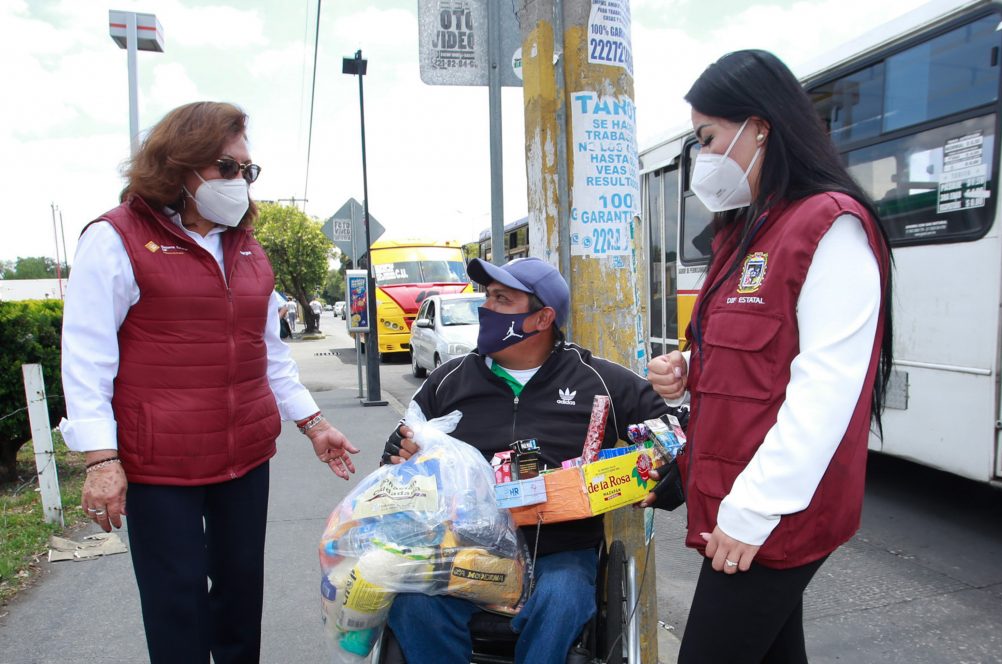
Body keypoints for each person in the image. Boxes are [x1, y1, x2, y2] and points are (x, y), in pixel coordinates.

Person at [58, 101, 360, 664]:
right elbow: (85, 357)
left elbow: (268, 353)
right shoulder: (116, 237)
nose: (240, 181)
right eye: (226, 167)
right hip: (159, 462)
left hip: (243, 454)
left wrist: (313, 423)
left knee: (241, 594)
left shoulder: (246, 246)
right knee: (178, 604)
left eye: (248, 170)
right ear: (181, 167)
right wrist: (101, 459)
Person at [641, 50, 893, 663]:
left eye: (708, 138)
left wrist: (750, 513)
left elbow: (825, 393)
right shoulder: (745, 231)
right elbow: (754, 355)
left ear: (760, 126)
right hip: (738, 493)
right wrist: (688, 372)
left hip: (773, 507)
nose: (703, 158)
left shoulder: (828, 227)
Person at [382, 257, 677, 664]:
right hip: (464, 549)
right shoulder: (448, 381)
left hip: (559, 552)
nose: (487, 308)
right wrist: (400, 453)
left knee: (562, 600)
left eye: (502, 299)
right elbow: (400, 446)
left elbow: (675, 433)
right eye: (487, 297)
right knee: (410, 602)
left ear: (542, 318)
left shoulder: (598, 380)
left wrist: (668, 475)